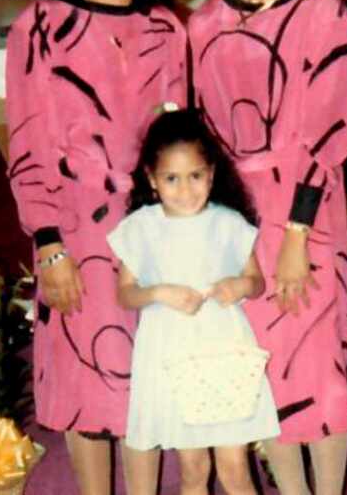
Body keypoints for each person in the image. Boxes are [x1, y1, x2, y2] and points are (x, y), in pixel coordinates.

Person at [4, 0, 187, 494]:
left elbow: (178, 137)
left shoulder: (166, 29)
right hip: (75, 227)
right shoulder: (42, 27)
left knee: (146, 371)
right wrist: (50, 245)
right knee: (86, 377)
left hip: (152, 226)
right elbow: (28, 144)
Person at [187, 0, 347, 495]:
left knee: (318, 368)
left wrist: (295, 235)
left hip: (305, 213)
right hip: (235, 217)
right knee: (264, 374)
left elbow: (331, 132)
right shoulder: (205, 20)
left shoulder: (325, 12)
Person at [107, 109, 280, 495]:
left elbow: (255, 281)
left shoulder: (228, 223)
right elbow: (124, 293)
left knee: (235, 468)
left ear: (212, 174)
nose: (186, 190)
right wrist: (157, 292)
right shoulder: (141, 228)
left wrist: (239, 286)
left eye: (195, 176)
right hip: (172, 355)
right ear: (152, 179)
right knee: (193, 468)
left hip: (224, 350)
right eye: (172, 179)